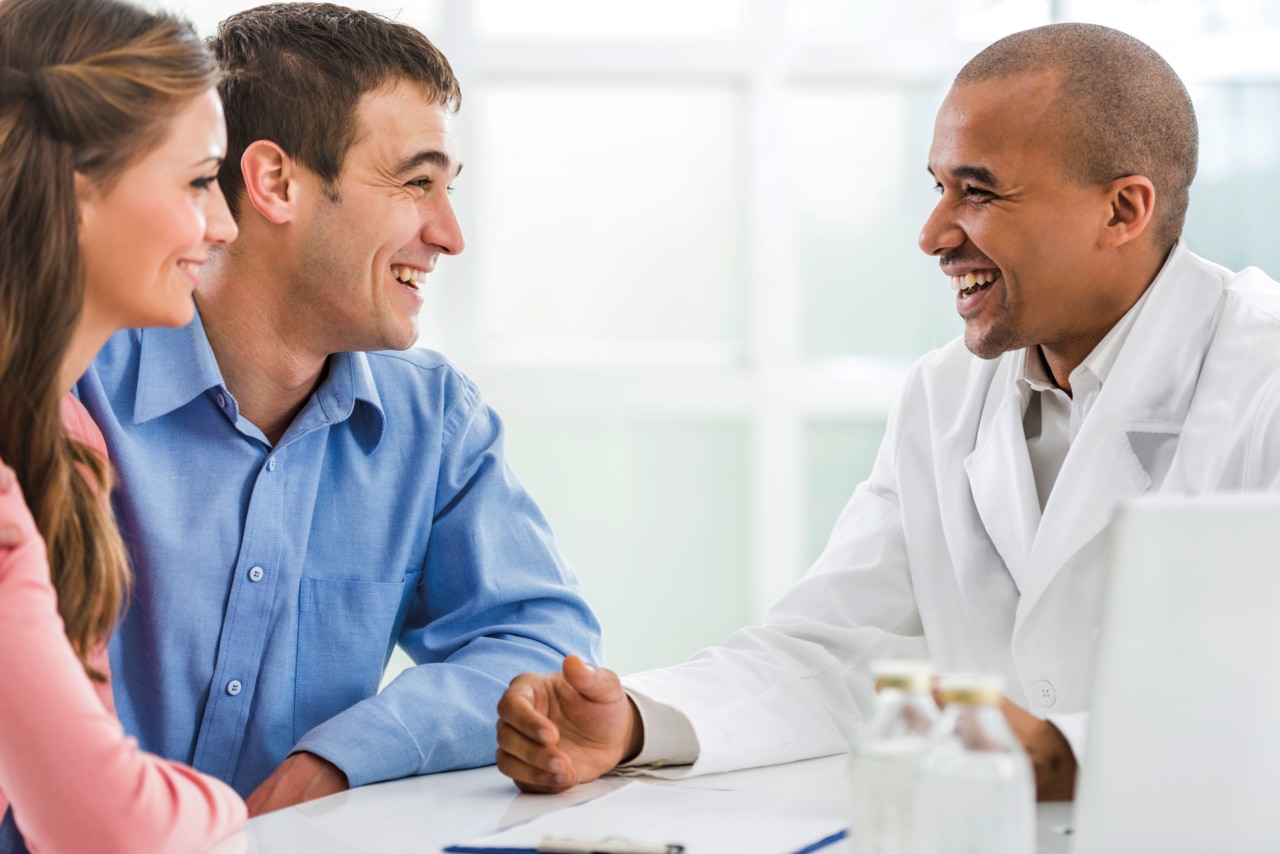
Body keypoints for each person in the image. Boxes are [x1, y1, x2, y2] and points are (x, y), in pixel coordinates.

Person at [494, 22, 1280, 802]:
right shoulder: (943, 397)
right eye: (938, 187)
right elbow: (839, 652)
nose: (934, 234)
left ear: (1122, 211)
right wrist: (635, 722)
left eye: (977, 192)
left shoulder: (1262, 377)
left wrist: (1067, 750)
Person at [74, 2, 603, 815]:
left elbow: (542, 643)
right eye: (415, 183)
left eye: (448, 189)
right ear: (277, 183)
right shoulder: (73, 385)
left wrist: (344, 755)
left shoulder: (432, 425)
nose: (450, 234)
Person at [0, 0, 246, 850]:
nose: (225, 225)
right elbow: (112, 825)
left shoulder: (67, 447)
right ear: (75, 198)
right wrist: (231, 805)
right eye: (198, 180)